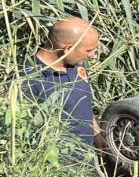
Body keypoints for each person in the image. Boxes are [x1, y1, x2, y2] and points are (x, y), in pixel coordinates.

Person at [22, 16, 102, 146]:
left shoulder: (76, 63)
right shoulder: (28, 79)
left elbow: (82, 105)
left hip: (87, 158)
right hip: (56, 162)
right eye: (88, 50)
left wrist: (99, 138)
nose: (92, 55)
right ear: (68, 49)